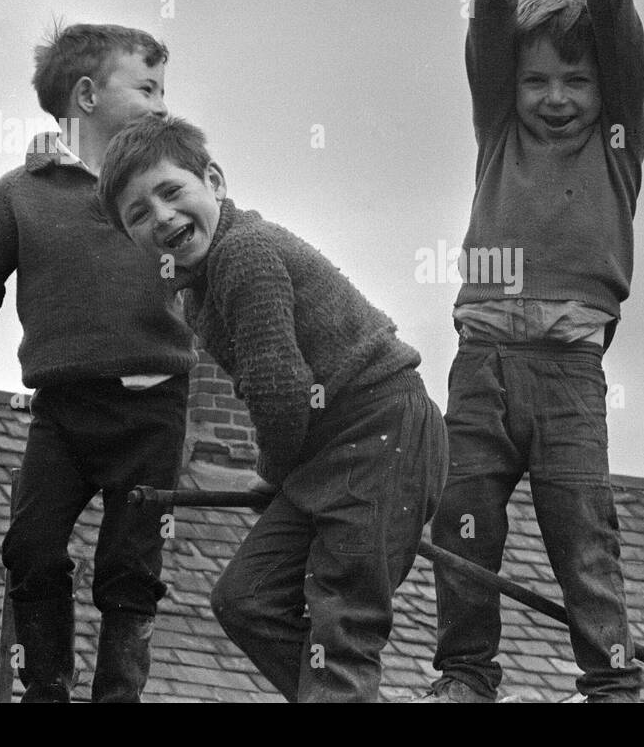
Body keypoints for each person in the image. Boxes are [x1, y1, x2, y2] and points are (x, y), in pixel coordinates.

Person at [97, 114, 448, 702]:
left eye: (172, 191)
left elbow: (281, 392)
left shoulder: (244, 256)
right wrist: (283, 477)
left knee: (342, 627)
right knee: (248, 600)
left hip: (381, 432)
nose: (161, 216)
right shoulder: (202, 284)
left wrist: (272, 474)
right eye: (138, 214)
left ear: (215, 181)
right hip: (327, 451)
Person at [0, 24, 196, 702]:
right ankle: (46, 693)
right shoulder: (20, 194)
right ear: (87, 95)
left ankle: (118, 698)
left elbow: (217, 262)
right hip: (61, 411)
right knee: (29, 548)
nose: (160, 105)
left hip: (152, 409)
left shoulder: (166, 190)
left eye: (164, 91)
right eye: (146, 87)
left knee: (129, 568)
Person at [422, 0, 644, 702]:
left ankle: (608, 681)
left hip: (567, 372)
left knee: (583, 531)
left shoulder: (617, 137)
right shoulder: (499, 130)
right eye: (538, 82)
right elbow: (488, 51)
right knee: (461, 515)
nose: (557, 97)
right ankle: (466, 674)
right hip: (481, 362)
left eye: (577, 81)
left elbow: (624, 51)